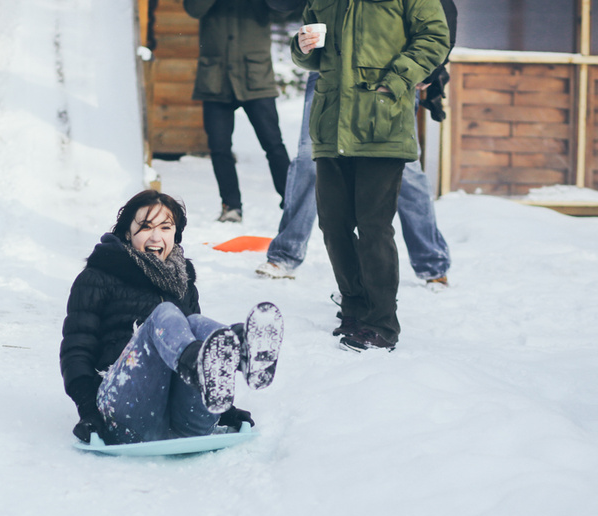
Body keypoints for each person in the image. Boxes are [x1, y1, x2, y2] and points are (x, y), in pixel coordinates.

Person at [60, 190, 284, 445]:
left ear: (174, 235)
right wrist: (88, 413)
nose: (156, 237)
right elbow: (76, 352)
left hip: (184, 421)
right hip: (126, 415)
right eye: (145, 227)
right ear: (127, 233)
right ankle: (209, 355)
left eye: (165, 227)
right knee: (165, 314)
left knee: (194, 323)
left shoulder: (182, 281)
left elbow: (195, 337)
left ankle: (241, 349)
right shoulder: (97, 277)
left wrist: (225, 411)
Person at [291, 1, 450, 352]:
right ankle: (354, 308)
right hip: (332, 125)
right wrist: (301, 48)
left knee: (374, 226)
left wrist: (395, 81)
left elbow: (436, 36)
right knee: (333, 224)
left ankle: (381, 323)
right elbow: (310, 55)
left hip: (383, 125)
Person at [255, 71, 451, 285]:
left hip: (390, 71)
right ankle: (285, 254)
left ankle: (432, 263)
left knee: (406, 169)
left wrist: (432, 67)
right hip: (329, 72)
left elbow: (439, 37)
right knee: (309, 160)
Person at [184, 0, 291, 223]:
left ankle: (291, 202)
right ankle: (231, 206)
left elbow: (285, 7)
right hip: (216, 78)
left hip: (256, 76)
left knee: (273, 144)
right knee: (219, 148)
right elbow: (193, 9)